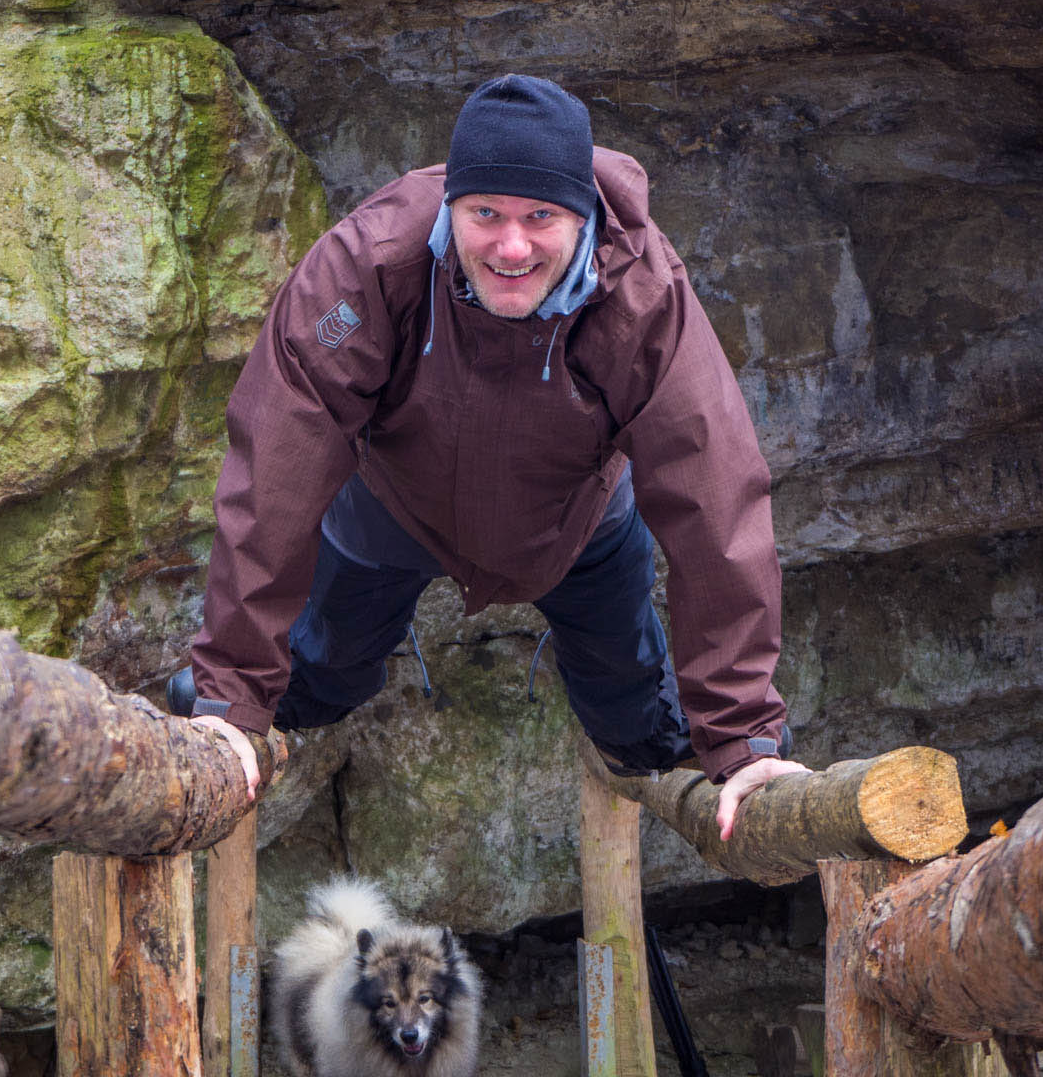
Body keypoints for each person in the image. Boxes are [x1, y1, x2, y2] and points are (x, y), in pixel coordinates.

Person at [176, 74, 806, 842]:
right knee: (324, 677)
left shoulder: (643, 294)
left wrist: (744, 739)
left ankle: (682, 747)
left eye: (541, 215)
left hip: (577, 528)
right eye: (487, 215)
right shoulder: (371, 264)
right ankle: (212, 701)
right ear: (451, 208)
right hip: (393, 507)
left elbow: (717, 498)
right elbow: (273, 468)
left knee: (632, 717)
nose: (512, 246)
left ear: (583, 214)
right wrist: (231, 701)